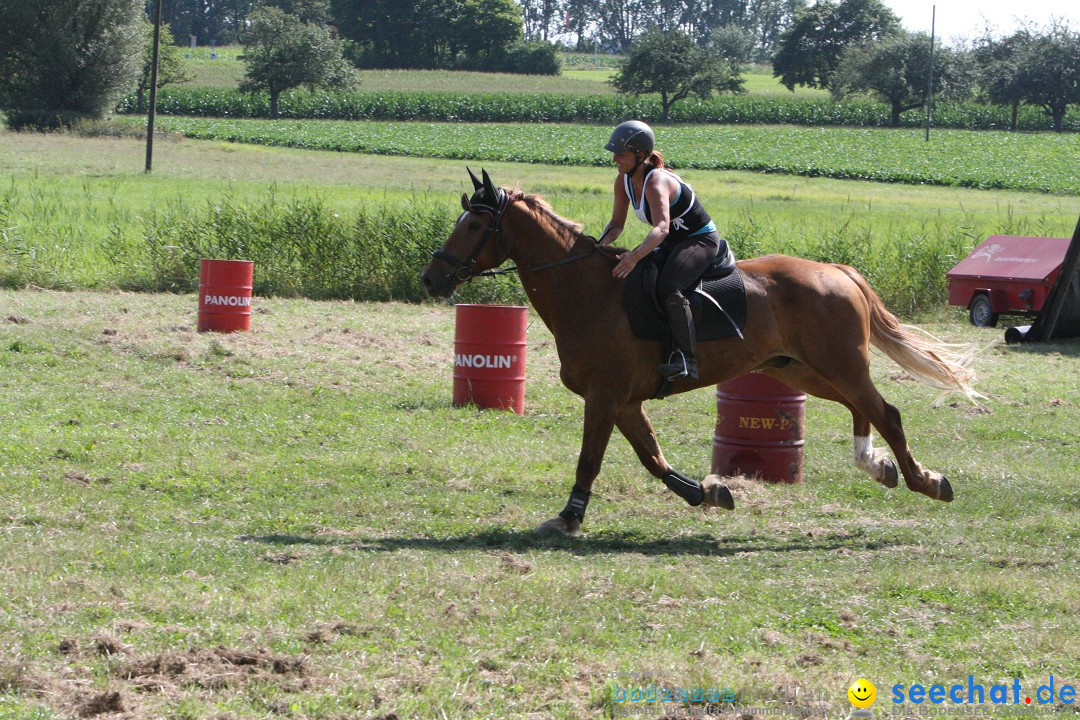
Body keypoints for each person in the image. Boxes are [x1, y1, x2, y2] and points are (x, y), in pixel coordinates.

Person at [600, 120, 734, 382]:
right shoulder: (623, 180)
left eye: (621, 154)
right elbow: (616, 225)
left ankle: (687, 360)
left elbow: (661, 228)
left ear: (640, 155)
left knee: (669, 287)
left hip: (700, 239)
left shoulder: (656, 182)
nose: (615, 159)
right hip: (673, 241)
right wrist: (596, 246)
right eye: (614, 153)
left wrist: (634, 256)